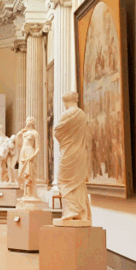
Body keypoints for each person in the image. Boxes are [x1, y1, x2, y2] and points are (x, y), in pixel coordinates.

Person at [54, 92, 92, 224]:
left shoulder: (67, 114)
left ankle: (71, 210)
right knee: (78, 183)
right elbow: (87, 134)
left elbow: (57, 132)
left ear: (65, 101)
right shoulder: (82, 115)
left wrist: (66, 141)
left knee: (63, 181)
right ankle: (81, 213)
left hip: (68, 152)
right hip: (80, 152)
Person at [16, 116, 40, 201]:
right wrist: (19, 134)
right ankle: (25, 194)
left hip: (30, 152)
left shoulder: (35, 133)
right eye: (26, 120)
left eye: (29, 120)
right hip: (23, 153)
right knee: (21, 175)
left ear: (33, 122)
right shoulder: (24, 133)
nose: (27, 121)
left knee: (28, 174)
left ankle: (29, 195)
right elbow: (18, 145)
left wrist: (32, 156)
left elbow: (38, 147)